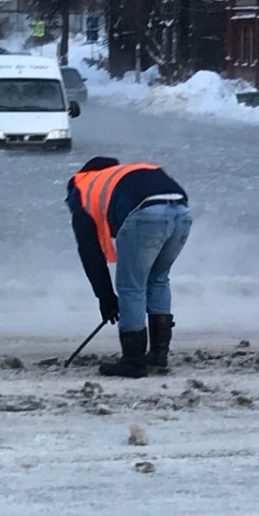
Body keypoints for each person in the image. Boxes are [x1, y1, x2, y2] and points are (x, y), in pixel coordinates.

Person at [65, 156, 192, 378]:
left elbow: (89, 251)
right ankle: (159, 354)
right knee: (158, 279)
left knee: (131, 287)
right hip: (181, 212)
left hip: (146, 214)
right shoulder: (127, 174)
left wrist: (105, 297)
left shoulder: (82, 187)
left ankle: (133, 362)